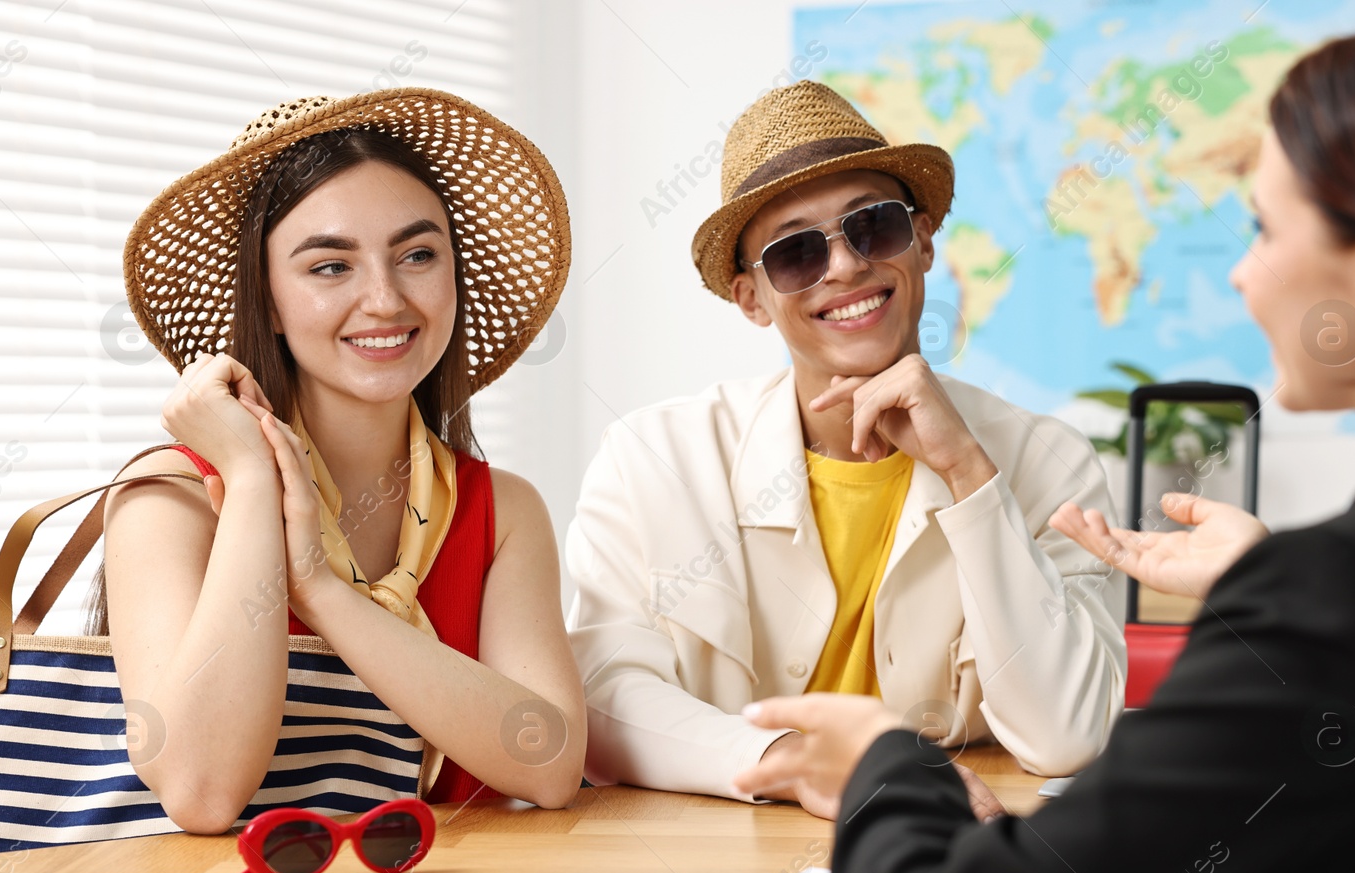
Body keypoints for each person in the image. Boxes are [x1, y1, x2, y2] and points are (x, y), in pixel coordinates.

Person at [737, 8, 1355, 873]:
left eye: (1262, 228)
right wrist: (1283, 587)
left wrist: (889, 766)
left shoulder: (1344, 596)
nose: (1244, 275)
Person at [565, 81, 1127, 818]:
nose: (844, 267)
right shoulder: (652, 458)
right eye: (795, 253)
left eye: (875, 226)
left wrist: (969, 475)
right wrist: (796, 764)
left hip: (955, 848)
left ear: (923, 242)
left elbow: (1067, 736)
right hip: (718, 858)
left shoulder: (1047, 460)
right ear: (752, 298)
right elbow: (603, 700)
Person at [97, 90, 585, 833]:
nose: (385, 299)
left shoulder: (501, 511)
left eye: (418, 255)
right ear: (267, 296)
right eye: (331, 267)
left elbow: (548, 764)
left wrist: (320, 589)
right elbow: (199, 790)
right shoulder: (169, 500)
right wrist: (256, 478)